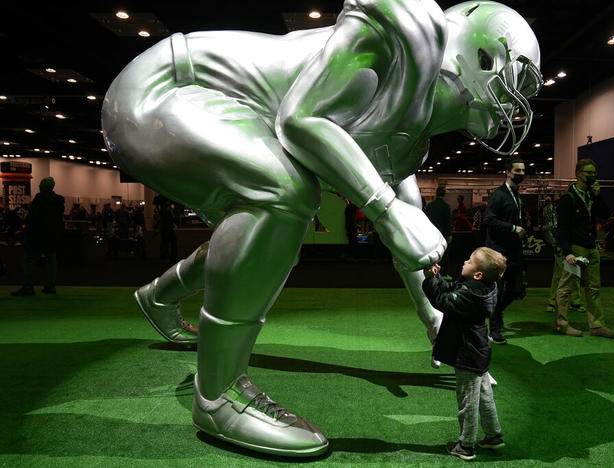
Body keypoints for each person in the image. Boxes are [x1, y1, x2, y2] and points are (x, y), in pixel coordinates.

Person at [102, 0, 542, 456]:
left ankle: (160, 294)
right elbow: (300, 119)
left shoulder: (414, 128)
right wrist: (385, 209)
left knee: (266, 231)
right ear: (482, 55)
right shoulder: (409, 34)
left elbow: (412, 249)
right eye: (516, 83)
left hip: (203, 100)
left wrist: (441, 326)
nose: (517, 101)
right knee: (283, 192)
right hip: (163, 90)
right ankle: (217, 394)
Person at [422, 247, 507, 462]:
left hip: (467, 355)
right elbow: (454, 288)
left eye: (469, 262)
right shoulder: (484, 287)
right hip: (478, 352)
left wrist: (430, 282)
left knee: (468, 402)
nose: (464, 262)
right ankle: (494, 436)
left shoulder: (470, 294)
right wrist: (437, 277)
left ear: (478, 274)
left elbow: (443, 301)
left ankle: (465, 445)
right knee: (485, 397)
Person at [555, 159, 614, 338]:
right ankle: (561, 324)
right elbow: (562, 228)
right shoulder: (568, 199)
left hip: (591, 248)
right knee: (567, 287)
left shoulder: (592, 195)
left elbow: (605, 215)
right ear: (578, 174)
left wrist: (598, 196)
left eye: (594, 173)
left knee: (594, 288)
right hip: (575, 249)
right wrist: (567, 251)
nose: (592, 176)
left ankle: (597, 325)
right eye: (588, 172)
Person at [483, 157, 527, 345]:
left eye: (523, 171)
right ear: (508, 172)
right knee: (497, 291)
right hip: (499, 251)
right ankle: (494, 329)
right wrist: (512, 228)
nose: (521, 174)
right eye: (517, 171)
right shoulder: (499, 195)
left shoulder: (516, 195)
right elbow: (488, 219)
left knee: (517, 290)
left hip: (514, 251)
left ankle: (497, 313)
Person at [11, 177, 65, 296]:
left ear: (42, 186)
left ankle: (28, 287)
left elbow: (33, 219)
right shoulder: (59, 200)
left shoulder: (39, 199)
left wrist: (24, 231)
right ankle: (50, 286)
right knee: (51, 261)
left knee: (29, 260)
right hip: (52, 236)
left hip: (37, 236)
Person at [543, 196, 583, 314]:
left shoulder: (576, 212)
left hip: (574, 246)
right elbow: (553, 229)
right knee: (559, 275)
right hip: (562, 247)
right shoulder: (557, 213)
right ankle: (552, 302)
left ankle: (575, 302)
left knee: (575, 274)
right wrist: (557, 245)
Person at [426, 186, 453, 274]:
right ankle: (444, 273)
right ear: (444, 194)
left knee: (432, 253)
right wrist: (449, 234)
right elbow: (448, 222)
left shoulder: (430, 206)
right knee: (444, 254)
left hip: (431, 234)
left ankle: (432, 272)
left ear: (436, 193)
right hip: (443, 234)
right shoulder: (446, 206)